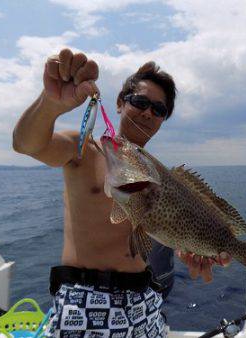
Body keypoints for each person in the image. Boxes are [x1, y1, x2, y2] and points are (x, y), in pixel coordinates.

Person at [12, 48, 231, 337]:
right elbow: (27, 144)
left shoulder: (158, 176)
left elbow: (165, 229)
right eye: (140, 102)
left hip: (145, 300)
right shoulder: (83, 148)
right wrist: (50, 103)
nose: (148, 113)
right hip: (87, 301)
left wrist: (194, 250)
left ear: (163, 120)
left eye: (159, 109)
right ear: (119, 103)